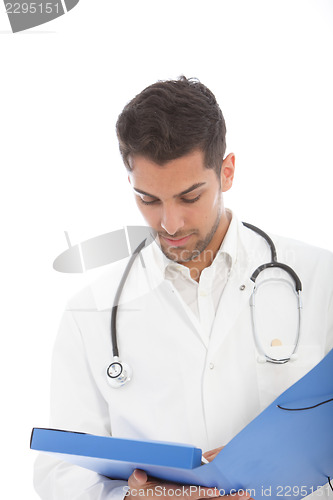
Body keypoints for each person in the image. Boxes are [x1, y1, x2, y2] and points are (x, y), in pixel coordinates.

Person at [34, 76, 333, 500]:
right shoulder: (91, 314)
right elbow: (59, 470)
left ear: (226, 172)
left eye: (190, 197)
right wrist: (133, 498)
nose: (169, 224)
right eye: (149, 200)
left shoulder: (323, 278)